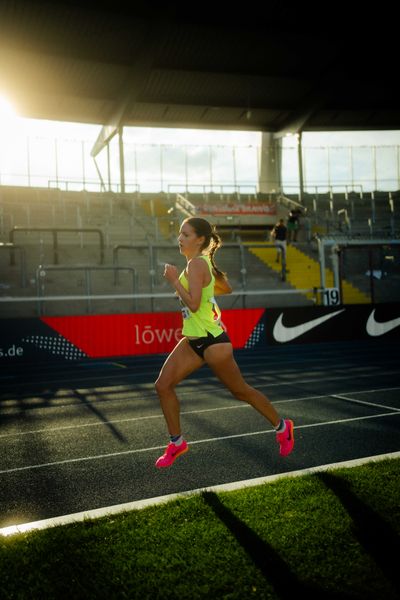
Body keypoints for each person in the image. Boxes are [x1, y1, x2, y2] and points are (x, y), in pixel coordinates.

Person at [154, 216, 294, 468]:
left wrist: (175, 281)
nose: (180, 238)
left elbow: (194, 304)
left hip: (212, 342)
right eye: (180, 233)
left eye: (185, 234)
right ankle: (177, 443)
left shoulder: (197, 265)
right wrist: (209, 301)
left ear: (199, 240)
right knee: (163, 385)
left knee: (240, 391)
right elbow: (225, 288)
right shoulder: (201, 263)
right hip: (194, 339)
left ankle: (283, 427)